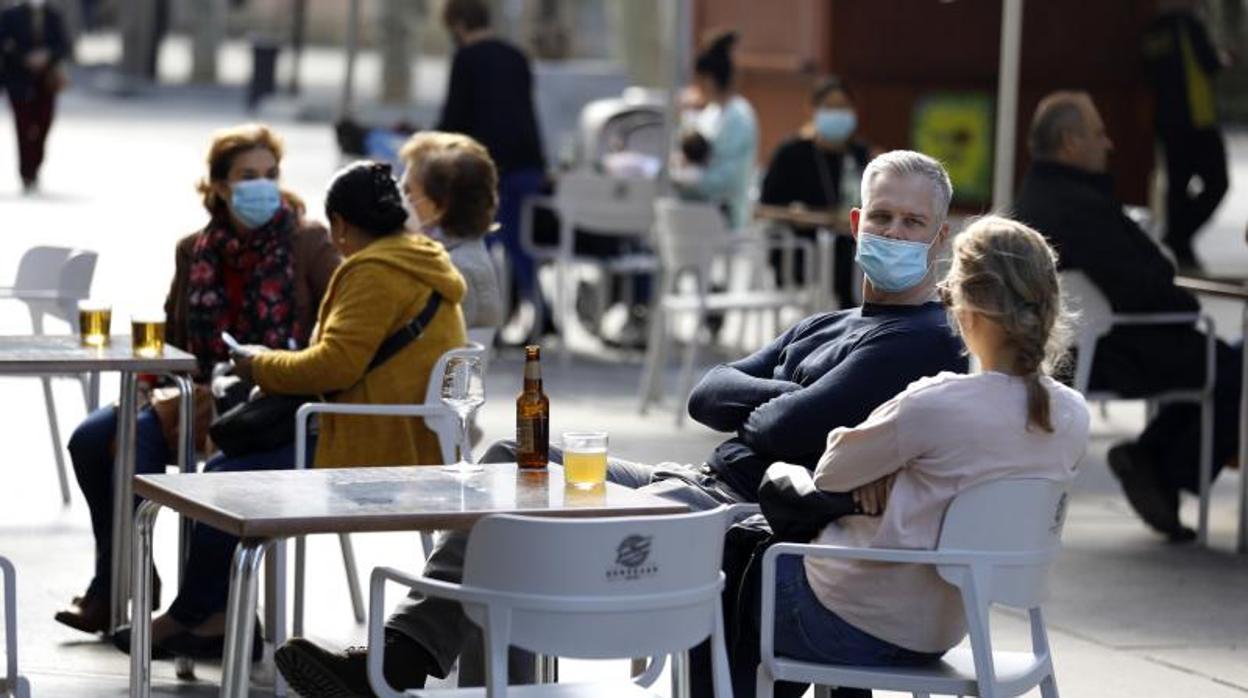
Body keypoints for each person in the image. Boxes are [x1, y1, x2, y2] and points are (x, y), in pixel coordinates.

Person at [272, 150, 970, 695]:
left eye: (912, 223)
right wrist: (784, 393)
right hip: (697, 477)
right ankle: (421, 655)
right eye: (882, 217)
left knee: (518, 527)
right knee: (517, 456)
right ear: (857, 223)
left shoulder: (921, 339)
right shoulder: (831, 323)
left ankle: (415, 660)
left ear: (940, 238)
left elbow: (784, 430)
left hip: (743, 517)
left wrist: (778, 394)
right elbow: (706, 394)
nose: (893, 233)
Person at [714, 216, 1090, 698]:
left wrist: (894, 474)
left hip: (851, 622)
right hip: (944, 629)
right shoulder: (1073, 415)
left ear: (962, 304)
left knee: (735, 558)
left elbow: (830, 474)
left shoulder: (934, 403)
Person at [110, 161, 468, 660]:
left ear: (340, 224)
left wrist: (259, 364)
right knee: (226, 466)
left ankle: (195, 615)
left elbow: (334, 365)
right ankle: (207, 614)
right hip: (405, 437)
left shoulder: (375, 271)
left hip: (368, 447)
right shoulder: (422, 260)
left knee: (221, 481)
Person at [54, 123, 340, 637]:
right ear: (220, 185)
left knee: (148, 447)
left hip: (270, 400)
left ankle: (193, 608)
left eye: (270, 174)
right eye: (247, 175)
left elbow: (338, 329)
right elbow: (177, 334)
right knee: (95, 439)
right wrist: (146, 375)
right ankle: (122, 581)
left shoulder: (307, 242)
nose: (262, 185)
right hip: (199, 393)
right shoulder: (195, 249)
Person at [1013, 91, 1242, 542]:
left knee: (1212, 356)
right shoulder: (1078, 205)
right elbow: (1140, 283)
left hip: (1067, 346)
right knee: (1232, 367)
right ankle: (1164, 467)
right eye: (1099, 133)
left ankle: (1153, 460)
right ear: (1070, 142)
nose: (1110, 144)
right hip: (1104, 352)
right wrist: (1186, 303)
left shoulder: (1038, 195)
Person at [437, 0, 546, 336]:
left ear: (457, 25)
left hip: (487, 168)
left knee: (484, 243)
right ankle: (541, 312)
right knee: (522, 245)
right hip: (529, 163)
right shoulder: (517, 57)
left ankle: (491, 323)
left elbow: (453, 120)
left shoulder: (466, 59)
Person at [760, 76, 873, 308]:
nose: (838, 114)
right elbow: (764, 209)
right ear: (813, 110)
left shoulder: (859, 154)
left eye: (844, 108)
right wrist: (801, 217)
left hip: (848, 243)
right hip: (801, 248)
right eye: (831, 108)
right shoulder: (792, 153)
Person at [1142, 0, 1230, 271]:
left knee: (1177, 188)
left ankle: (1179, 244)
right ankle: (1178, 238)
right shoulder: (1189, 25)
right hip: (1198, 119)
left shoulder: (1152, 30)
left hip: (1167, 120)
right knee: (1217, 183)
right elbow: (1209, 62)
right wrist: (1224, 58)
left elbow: (1147, 72)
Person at [398, 131, 504, 330]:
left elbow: (445, 354)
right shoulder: (461, 255)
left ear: (440, 206)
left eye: (408, 192)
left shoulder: (451, 271)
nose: (402, 201)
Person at [675, 30, 758, 232]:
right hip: (700, 219)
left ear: (708, 80)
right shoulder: (710, 114)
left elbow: (729, 178)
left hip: (726, 221)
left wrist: (689, 181)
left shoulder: (739, 117)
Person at [0, 0, 71, 192]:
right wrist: (24, 58)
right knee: (23, 127)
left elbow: (63, 45)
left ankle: (36, 165)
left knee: (44, 123)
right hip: (18, 80)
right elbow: (4, 43)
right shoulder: (10, 15)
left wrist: (47, 56)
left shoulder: (54, 16)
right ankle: (26, 174)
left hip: (46, 81)